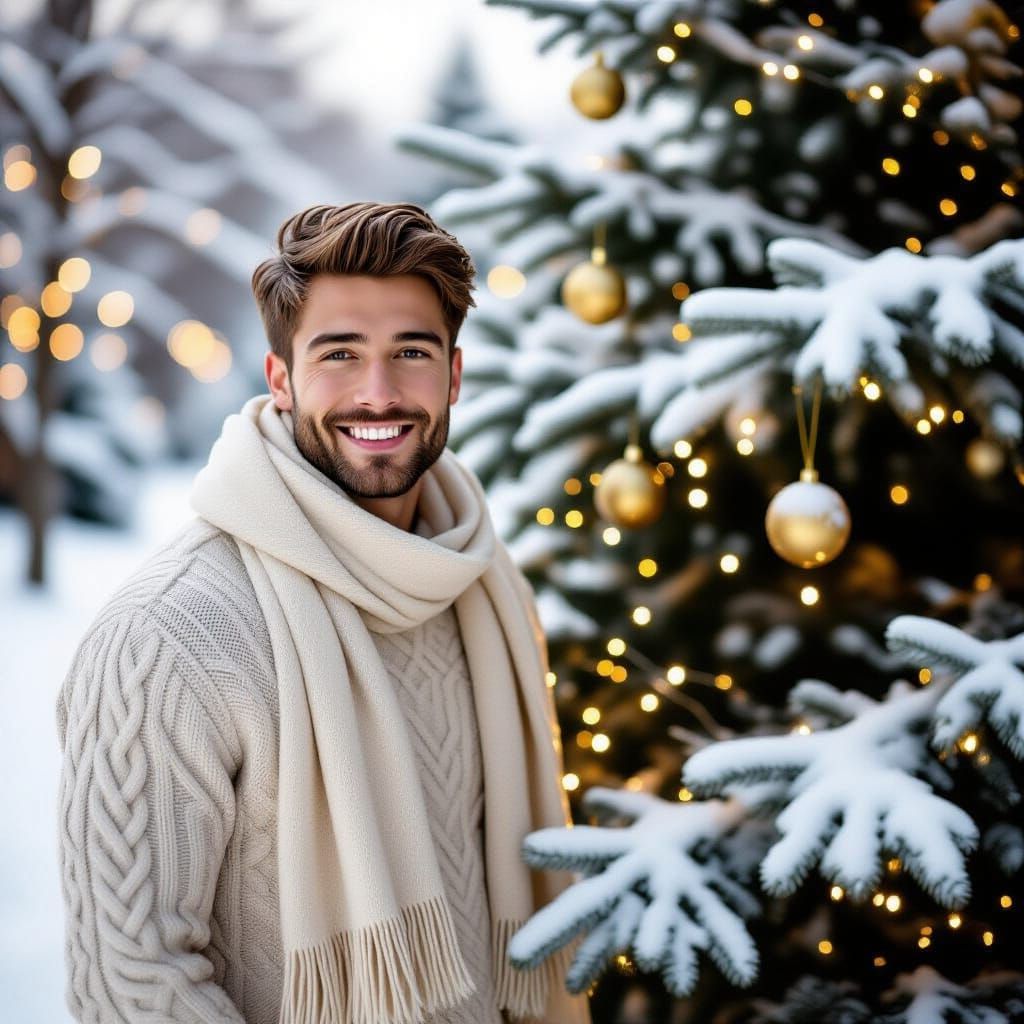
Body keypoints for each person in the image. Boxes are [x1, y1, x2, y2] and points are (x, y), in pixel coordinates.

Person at [56, 202, 591, 1024]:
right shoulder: (167, 635)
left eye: (410, 352)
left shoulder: (484, 588)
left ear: (452, 375)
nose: (378, 393)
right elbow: (133, 984)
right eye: (339, 354)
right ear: (282, 379)